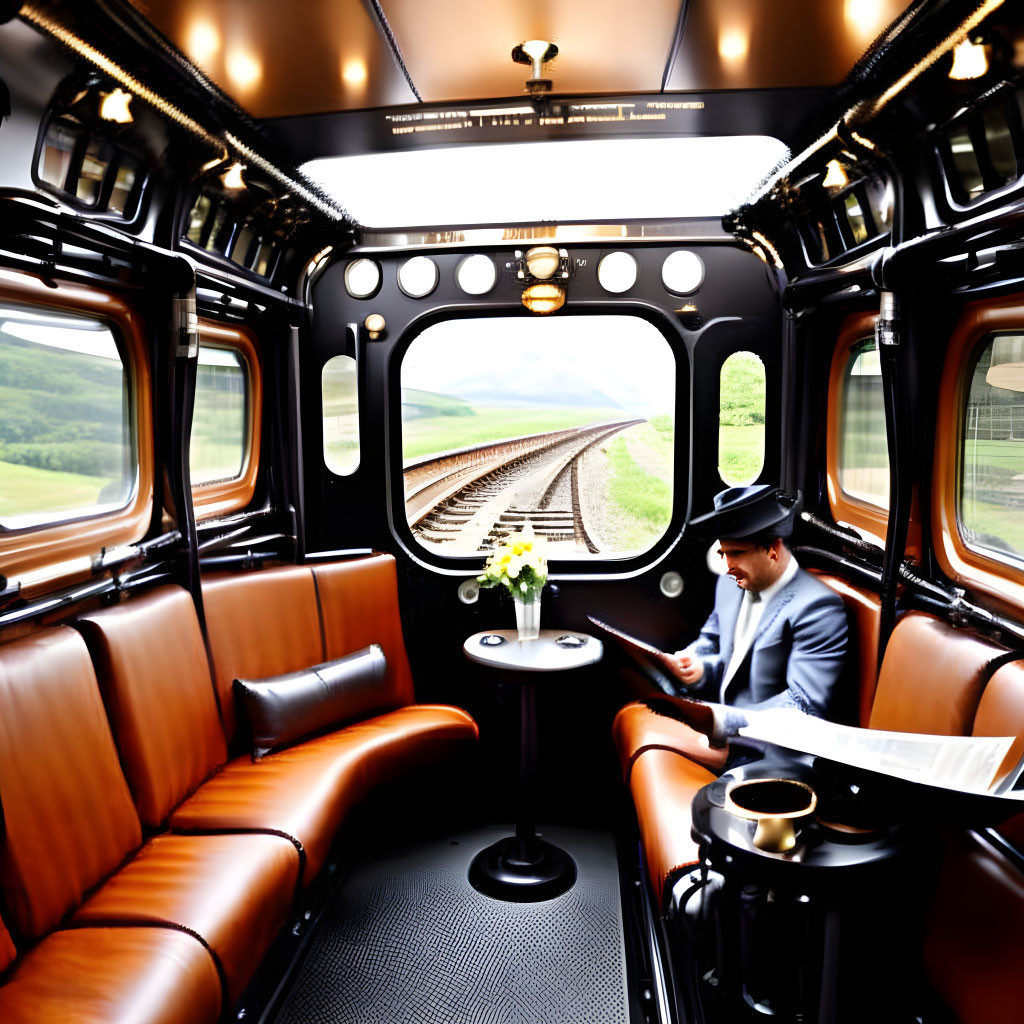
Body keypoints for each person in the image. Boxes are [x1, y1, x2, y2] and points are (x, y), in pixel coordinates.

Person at [667, 484, 849, 745]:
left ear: (772, 548)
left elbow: (803, 706)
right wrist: (697, 666)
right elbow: (713, 639)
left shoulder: (818, 608)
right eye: (723, 553)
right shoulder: (730, 582)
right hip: (723, 737)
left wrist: (719, 721)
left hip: (774, 753)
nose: (728, 566)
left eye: (737, 553)